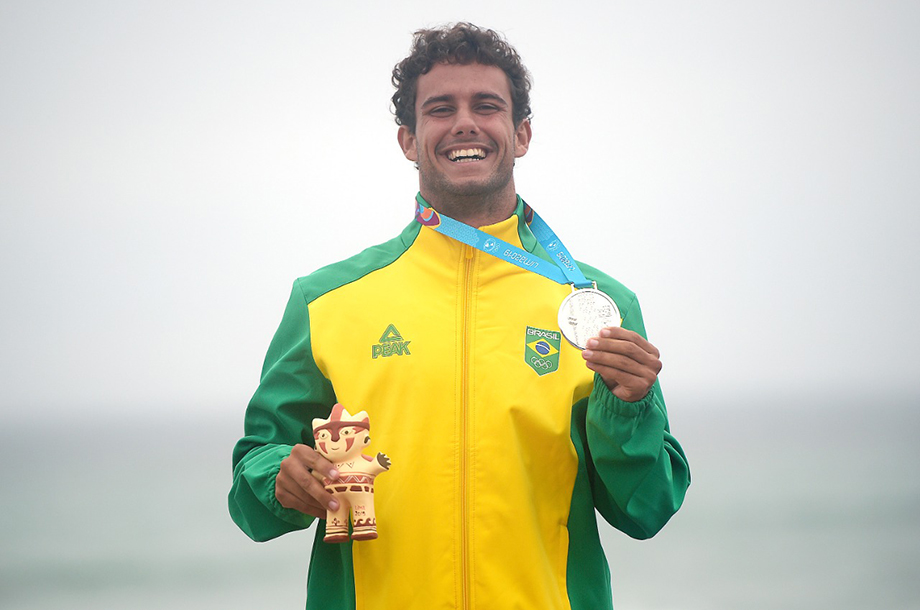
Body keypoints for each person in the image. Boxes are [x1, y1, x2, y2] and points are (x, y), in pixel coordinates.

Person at [229, 22, 690, 610]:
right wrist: (280, 479)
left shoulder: (596, 305)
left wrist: (631, 409)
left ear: (521, 134)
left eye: (487, 106)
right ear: (408, 140)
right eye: (441, 109)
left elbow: (646, 508)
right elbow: (251, 489)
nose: (465, 123)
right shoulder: (325, 301)